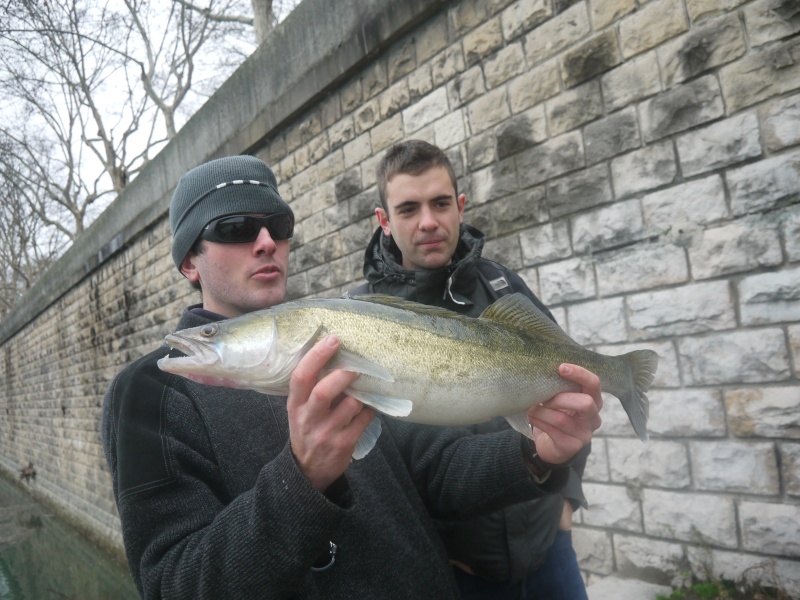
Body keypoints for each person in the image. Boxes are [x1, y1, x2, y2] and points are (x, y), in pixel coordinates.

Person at [101, 154, 603, 599]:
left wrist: (537, 454)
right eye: (234, 228)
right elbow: (174, 584)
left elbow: (432, 473)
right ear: (190, 260)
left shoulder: (334, 339)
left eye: (278, 224)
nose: (265, 242)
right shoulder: (150, 394)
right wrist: (302, 480)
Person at [348, 139, 591, 599]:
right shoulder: (361, 319)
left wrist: (567, 501)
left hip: (548, 553)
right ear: (383, 221)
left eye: (440, 203)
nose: (428, 222)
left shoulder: (502, 286)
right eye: (408, 209)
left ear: (460, 206)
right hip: (456, 575)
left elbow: (571, 380)